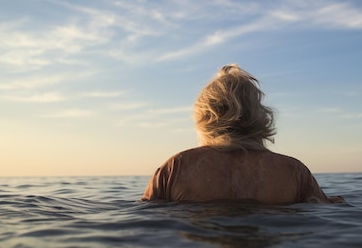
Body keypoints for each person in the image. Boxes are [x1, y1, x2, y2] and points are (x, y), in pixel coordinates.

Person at [141, 64, 344, 204]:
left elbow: (147, 222)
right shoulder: (294, 171)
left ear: (203, 115)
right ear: (259, 113)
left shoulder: (176, 167)